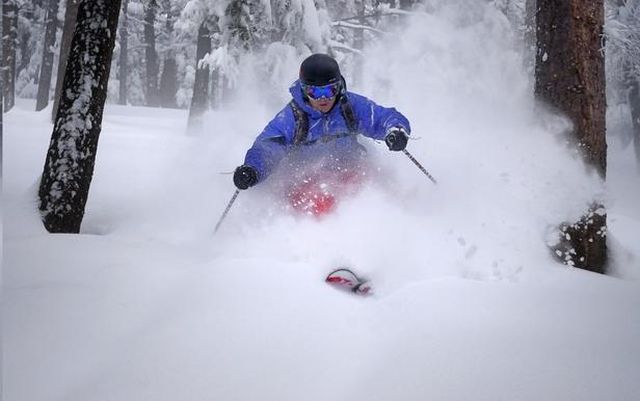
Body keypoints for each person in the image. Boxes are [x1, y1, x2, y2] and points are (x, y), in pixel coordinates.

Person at [233, 53, 411, 215]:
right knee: (320, 204)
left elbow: (381, 118)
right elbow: (269, 147)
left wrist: (395, 131)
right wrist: (253, 169)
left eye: (329, 90)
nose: (323, 98)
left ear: (339, 87)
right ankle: (321, 242)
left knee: (381, 190)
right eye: (315, 92)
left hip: (351, 169)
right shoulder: (292, 118)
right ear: (304, 90)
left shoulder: (349, 106)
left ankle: (403, 219)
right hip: (306, 178)